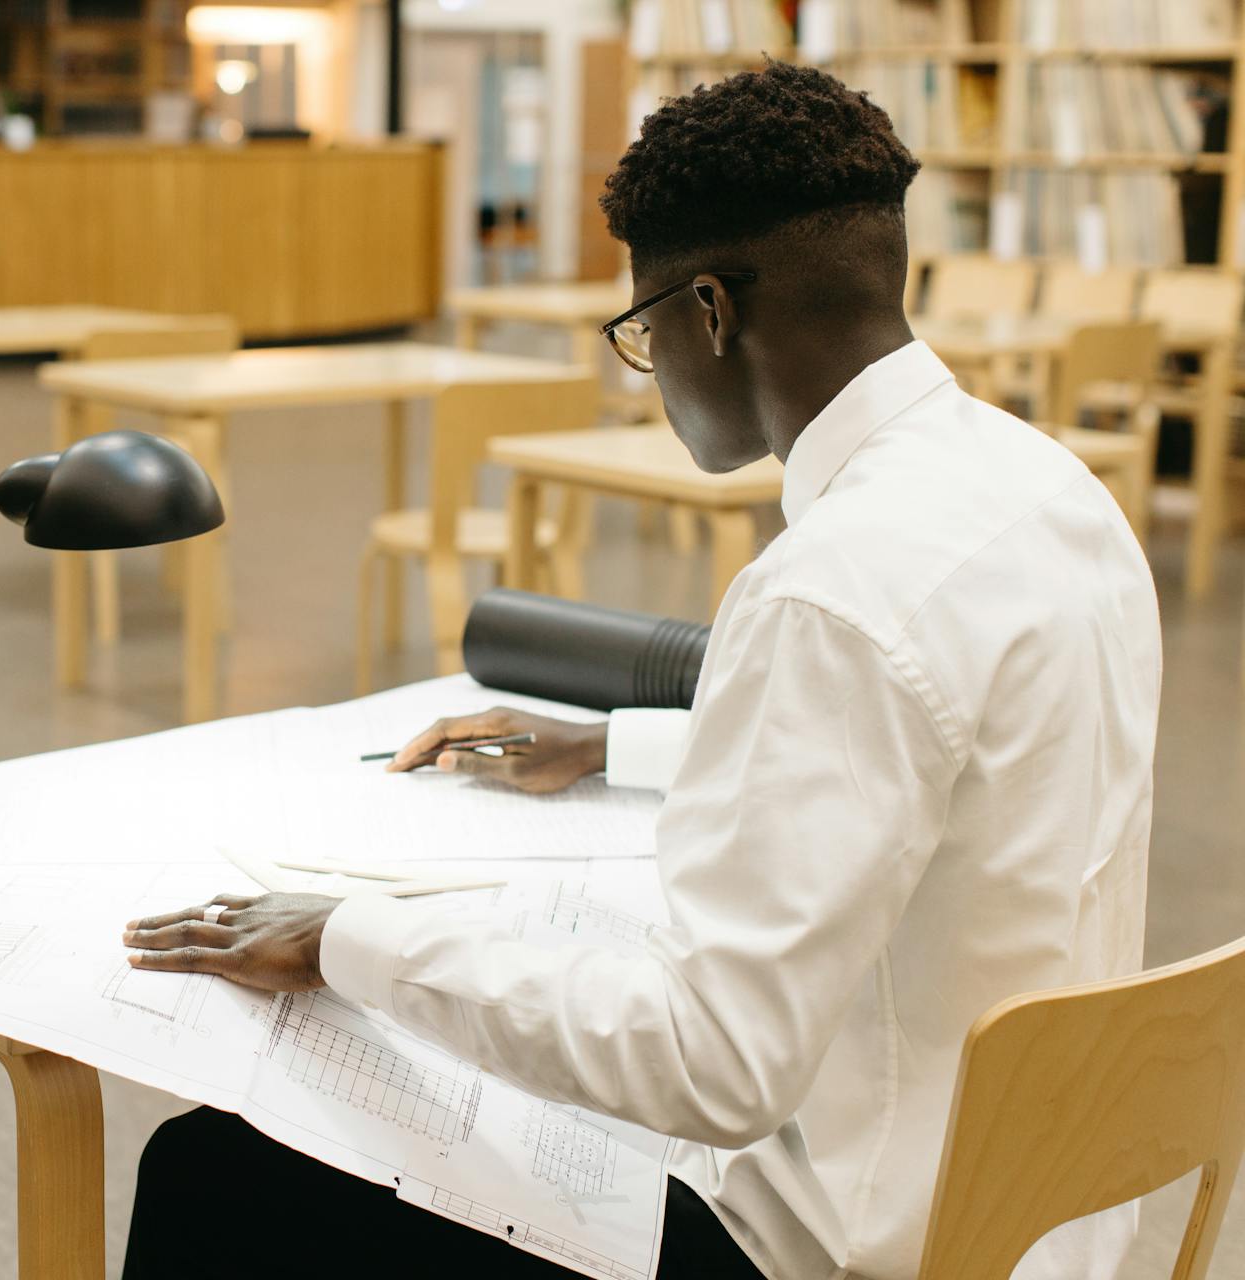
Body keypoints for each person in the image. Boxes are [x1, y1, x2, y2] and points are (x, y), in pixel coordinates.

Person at [119, 62, 1160, 1280]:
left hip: (841, 1246)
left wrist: (351, 935)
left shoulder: (828, 587)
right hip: (1036, 1211)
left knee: (209, 1165)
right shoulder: (1051, 489)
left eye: (641, 330)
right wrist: (615, 744)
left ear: (708, 312)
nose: (650, 364)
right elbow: (946, 760)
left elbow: (712, 1065)